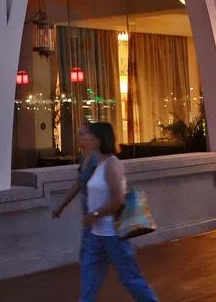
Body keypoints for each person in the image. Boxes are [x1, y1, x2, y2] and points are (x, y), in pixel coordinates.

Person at [53, 122, 159, 302]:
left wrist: (93, 215)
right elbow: (80, 184)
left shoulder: (111, 164)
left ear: (100, 139)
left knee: (130, 277)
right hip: (96, 233)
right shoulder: (94, 162)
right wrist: (64, 207)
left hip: (113, 233)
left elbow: (118, 200)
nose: (85, 138)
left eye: (90, 136)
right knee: (89, 278)